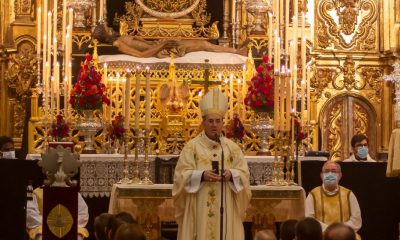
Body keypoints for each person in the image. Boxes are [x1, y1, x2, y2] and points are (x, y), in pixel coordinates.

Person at [172, 88, 251, 240]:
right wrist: (201, 175)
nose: (214, 125)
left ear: (223, 122)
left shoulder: (231, 148)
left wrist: (232, 174)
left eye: (218, 121)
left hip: (226, 204)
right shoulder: (192, 147)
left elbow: (244, 174)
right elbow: (180, 176)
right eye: (210, 121)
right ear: (203, 122)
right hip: (199, 205)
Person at [92, 23, 247, 58]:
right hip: (163, 51)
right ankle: (237, 51)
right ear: (105, 34)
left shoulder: (120, 37)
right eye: (107, 28)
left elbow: (143, 42)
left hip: (161, 45)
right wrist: (162, 46)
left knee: (202, 41)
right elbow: (142, 55)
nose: (110, 28)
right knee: (204, 44)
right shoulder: (118, 43)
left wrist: (160, 41)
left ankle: (236, 49)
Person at [305, 161, 362, 236]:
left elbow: (356, 221)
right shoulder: (313, 195)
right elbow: (309, 219)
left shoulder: (349, 194)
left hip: (344, 235)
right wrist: (328, 230)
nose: (330, 174)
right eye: (327, 171)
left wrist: (340, 231)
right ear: (321, 175)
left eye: (334, 171)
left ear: (340, 175)